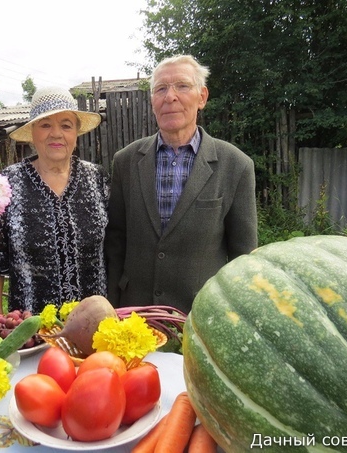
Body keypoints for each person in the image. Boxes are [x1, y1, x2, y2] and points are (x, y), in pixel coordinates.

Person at [105, 54, 258, 314]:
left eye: (182, 86)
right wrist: (111, 308)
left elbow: (244, 256)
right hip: (135, 315)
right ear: (152, 101)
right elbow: (115, 243)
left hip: (202, 316)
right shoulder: (126, 161)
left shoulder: (236, 165)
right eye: (161, 89)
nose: (170, 97)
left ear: (202, 97)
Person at [0, 87, 110, 319]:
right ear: (33, 133)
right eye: (45, 125)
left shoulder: (97, 178)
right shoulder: (7, 183)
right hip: (30, 325)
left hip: (93, 325)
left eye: (66, 125)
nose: (56, 133)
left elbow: (114, 248)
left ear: (76, 133)